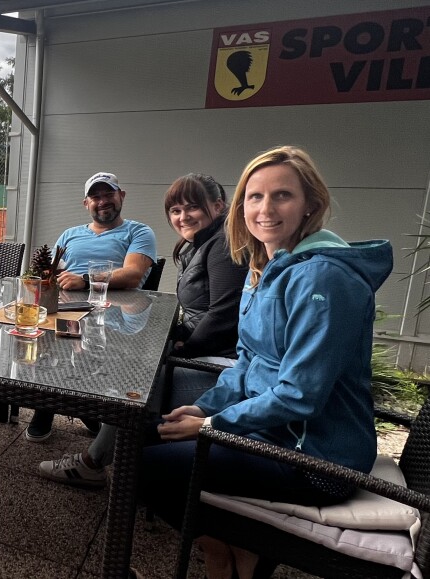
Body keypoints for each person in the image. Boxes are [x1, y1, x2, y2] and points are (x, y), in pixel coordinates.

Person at [141, 146, 390, 579]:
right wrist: (203, 407)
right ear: (241, 206)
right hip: (272, 432)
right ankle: (235, 546)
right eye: (254, 196)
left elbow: (300, 395)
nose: (265, 209)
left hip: (317, 460)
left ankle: (224, 553)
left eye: (282, 195)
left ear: (310, 204)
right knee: (144, 430)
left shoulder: (325, 278)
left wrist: (211, 426)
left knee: (143, 466)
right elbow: (247, 361)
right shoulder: (267, 267)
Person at [38, 173, 248, 488]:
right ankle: (59, 406)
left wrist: (181, 346)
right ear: (86, 203)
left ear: (218, 206)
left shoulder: (222, 245)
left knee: (136, 380)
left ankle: (93, 460)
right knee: (56, 344)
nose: (183, 216)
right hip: (75, 308)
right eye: (176, 210)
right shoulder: (202, 243)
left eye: (192, 207)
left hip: (215, 360)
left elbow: (223, 314)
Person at [25, 171, 158, 440]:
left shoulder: (139, 231)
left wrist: (84, 280)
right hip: (65, 311)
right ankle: (55, 403)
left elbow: (133, 275)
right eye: (95, 197)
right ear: (86, 203)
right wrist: (41, 278)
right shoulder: (70, 234)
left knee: (81, 346)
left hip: (113, 313)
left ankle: (76, 403)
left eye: (109, 194)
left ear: (121, 196)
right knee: (33, 338)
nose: (102, 201)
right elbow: (52, 270)